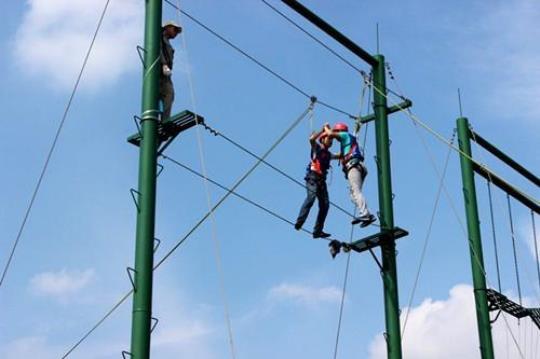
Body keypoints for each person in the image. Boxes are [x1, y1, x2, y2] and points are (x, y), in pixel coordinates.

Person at [324, 122, 376, 227]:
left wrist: (326, 127)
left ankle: (365, 213)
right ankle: (368, 215)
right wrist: (326, 154)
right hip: (357, 166)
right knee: (353, 196)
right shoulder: (347, 144)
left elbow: (329, 134)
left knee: (356, 191)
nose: (336, 138)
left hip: (354, 166)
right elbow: (338, 155)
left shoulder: (345, 135)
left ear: (339, 131)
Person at [294, 128, 335, 239]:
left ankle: (317, 231)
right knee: (311, 198)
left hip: (321, 182)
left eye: (332, 140)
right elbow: (311, 139)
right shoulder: (317, 148)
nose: (331, 141)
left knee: (325, 205)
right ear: (322, 139)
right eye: (329, 139)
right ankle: (300, 221)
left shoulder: (329, 154)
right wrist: (323, 130)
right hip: (313, 178)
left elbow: (339, 156)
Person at [160, 21, 182, 121]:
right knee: (167, 93)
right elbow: (157, 50)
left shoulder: (168, 43)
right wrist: (164, 64)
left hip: (166, 73)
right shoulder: (159, 37)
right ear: (167, 27)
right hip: (159, 70)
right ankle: (162, 120)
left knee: (169, 94)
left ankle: (164, 119)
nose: (176, 33)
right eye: (175, 30)